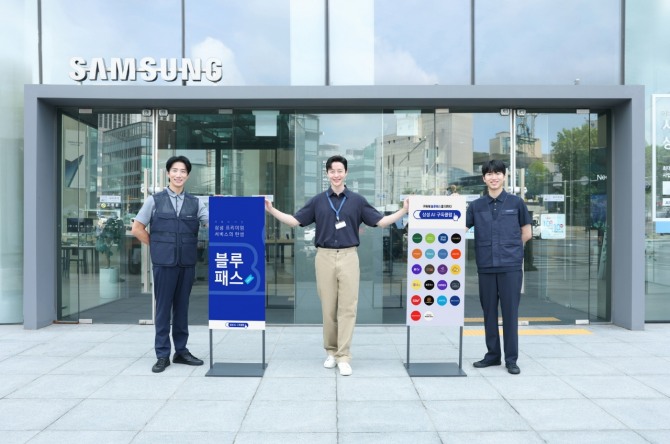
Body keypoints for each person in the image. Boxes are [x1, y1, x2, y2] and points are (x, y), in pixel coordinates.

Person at [265, 155, 408, 376]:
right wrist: (271, 210)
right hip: (324, 257)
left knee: (348, 308)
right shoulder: (318, 201)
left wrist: (403, 210)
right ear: (327, 174)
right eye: (332, 171)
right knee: (328, 307)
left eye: (340, 170)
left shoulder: (357, 201)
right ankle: (331, 352)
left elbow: (380, 222)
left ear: (346, 173)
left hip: (349, 256)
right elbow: (295, 221)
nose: (336, 175)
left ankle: (344, 356)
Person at [131, 155, 209, 373]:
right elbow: (137, 228)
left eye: (183, 171)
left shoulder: (196, 203)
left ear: (188, 175)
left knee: (182, 308)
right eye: (175, 170)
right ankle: (162, 354)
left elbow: (211, 222)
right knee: (163, 309)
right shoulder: (154, 200)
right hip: (164, 263)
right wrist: (157, 245)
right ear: (168, 173)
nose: (178, 175)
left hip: (186, 263)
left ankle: (181, 351)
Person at [465, 159, 531, 375]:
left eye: (498, 173)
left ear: (504, 176)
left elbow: (527, 233)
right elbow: (460, 228)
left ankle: (511, 359)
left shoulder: (516, 203)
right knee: (489, 313)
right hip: (486, 265)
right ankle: (493, 355)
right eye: (489, 174)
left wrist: (510, 249)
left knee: (510, 313)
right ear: (484, 178)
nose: (494, 177)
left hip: (510, 266)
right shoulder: (475, 206)